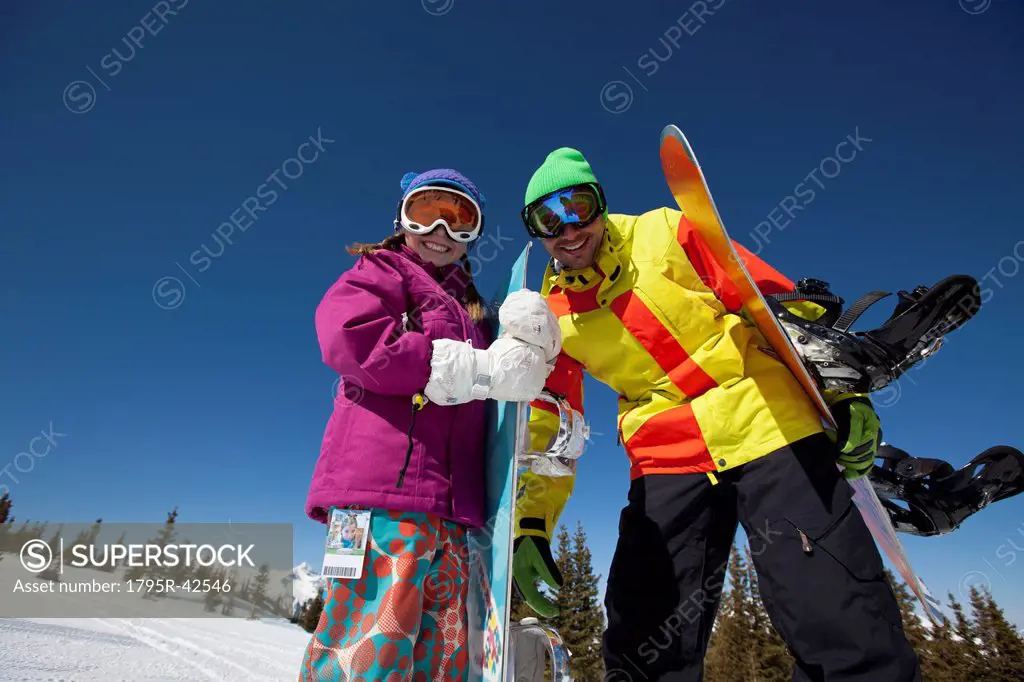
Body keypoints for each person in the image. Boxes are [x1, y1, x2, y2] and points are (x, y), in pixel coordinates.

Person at [510, 148, 923, 681]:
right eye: (547, 218)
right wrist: (532, 525)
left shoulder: (666, 230)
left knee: (837, 612)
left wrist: (843, 390)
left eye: (578, 206)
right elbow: (552, 424)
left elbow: (776, 304)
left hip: (769, 423)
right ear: (535, 230)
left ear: (600, 203)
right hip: (666, 458)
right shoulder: (553, 313)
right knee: (645, 635)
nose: (567, 229)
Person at [298, 168, 560, 681]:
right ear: (401, 218)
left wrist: (532, 356)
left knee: (441, 659)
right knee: (372, 646)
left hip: (454, 512)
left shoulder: (475, 310)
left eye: (461, 219)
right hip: (379, 501)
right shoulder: (380, 271)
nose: (442, 230)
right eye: (427, 212)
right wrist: (464, 366)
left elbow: (498, 401)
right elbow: (350, 337)